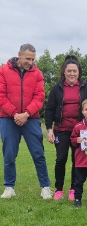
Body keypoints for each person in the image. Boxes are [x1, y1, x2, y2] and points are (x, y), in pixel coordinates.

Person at [0, 43, 52, 199]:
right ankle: (9, 187)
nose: (30, 62)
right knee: (9, 155)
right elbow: (1, 96)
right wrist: (16, 114)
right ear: (19, 55)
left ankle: (45, 187)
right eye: (28, 58)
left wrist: (26, 114)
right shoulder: (3, 71)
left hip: (31, 119)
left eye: (33, 59)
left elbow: (40, 97)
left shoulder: (38, 73)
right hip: (8, 119)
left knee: (38, 154)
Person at [45, 55, 87, 201]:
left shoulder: (86, 88)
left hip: (81, 131)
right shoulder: (56, 88)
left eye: (75, 71)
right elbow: (49, 110)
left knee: (77, 159)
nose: (72, 73)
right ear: (64, 72)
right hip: (61, 129)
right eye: (69, 71)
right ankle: (59, 189)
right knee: (61, 159)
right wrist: (49, 129)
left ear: (79, 72)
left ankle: (74, 189)